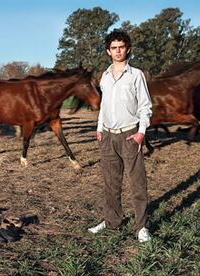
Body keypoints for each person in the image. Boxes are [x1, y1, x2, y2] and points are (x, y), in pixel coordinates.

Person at [88, 30, 153, 243]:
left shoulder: (136, 75)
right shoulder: (105, 77)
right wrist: (99, 128)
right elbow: (104, 105)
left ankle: (141, 227)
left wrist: (141, 132)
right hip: (107, 136)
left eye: (121, 47)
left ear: (128, 49)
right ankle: (112, 221)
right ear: (108, 51)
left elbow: (145, 106)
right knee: (111, 183)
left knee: (137, 183)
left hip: (130, 134)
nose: (118, 51)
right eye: (114, 48)